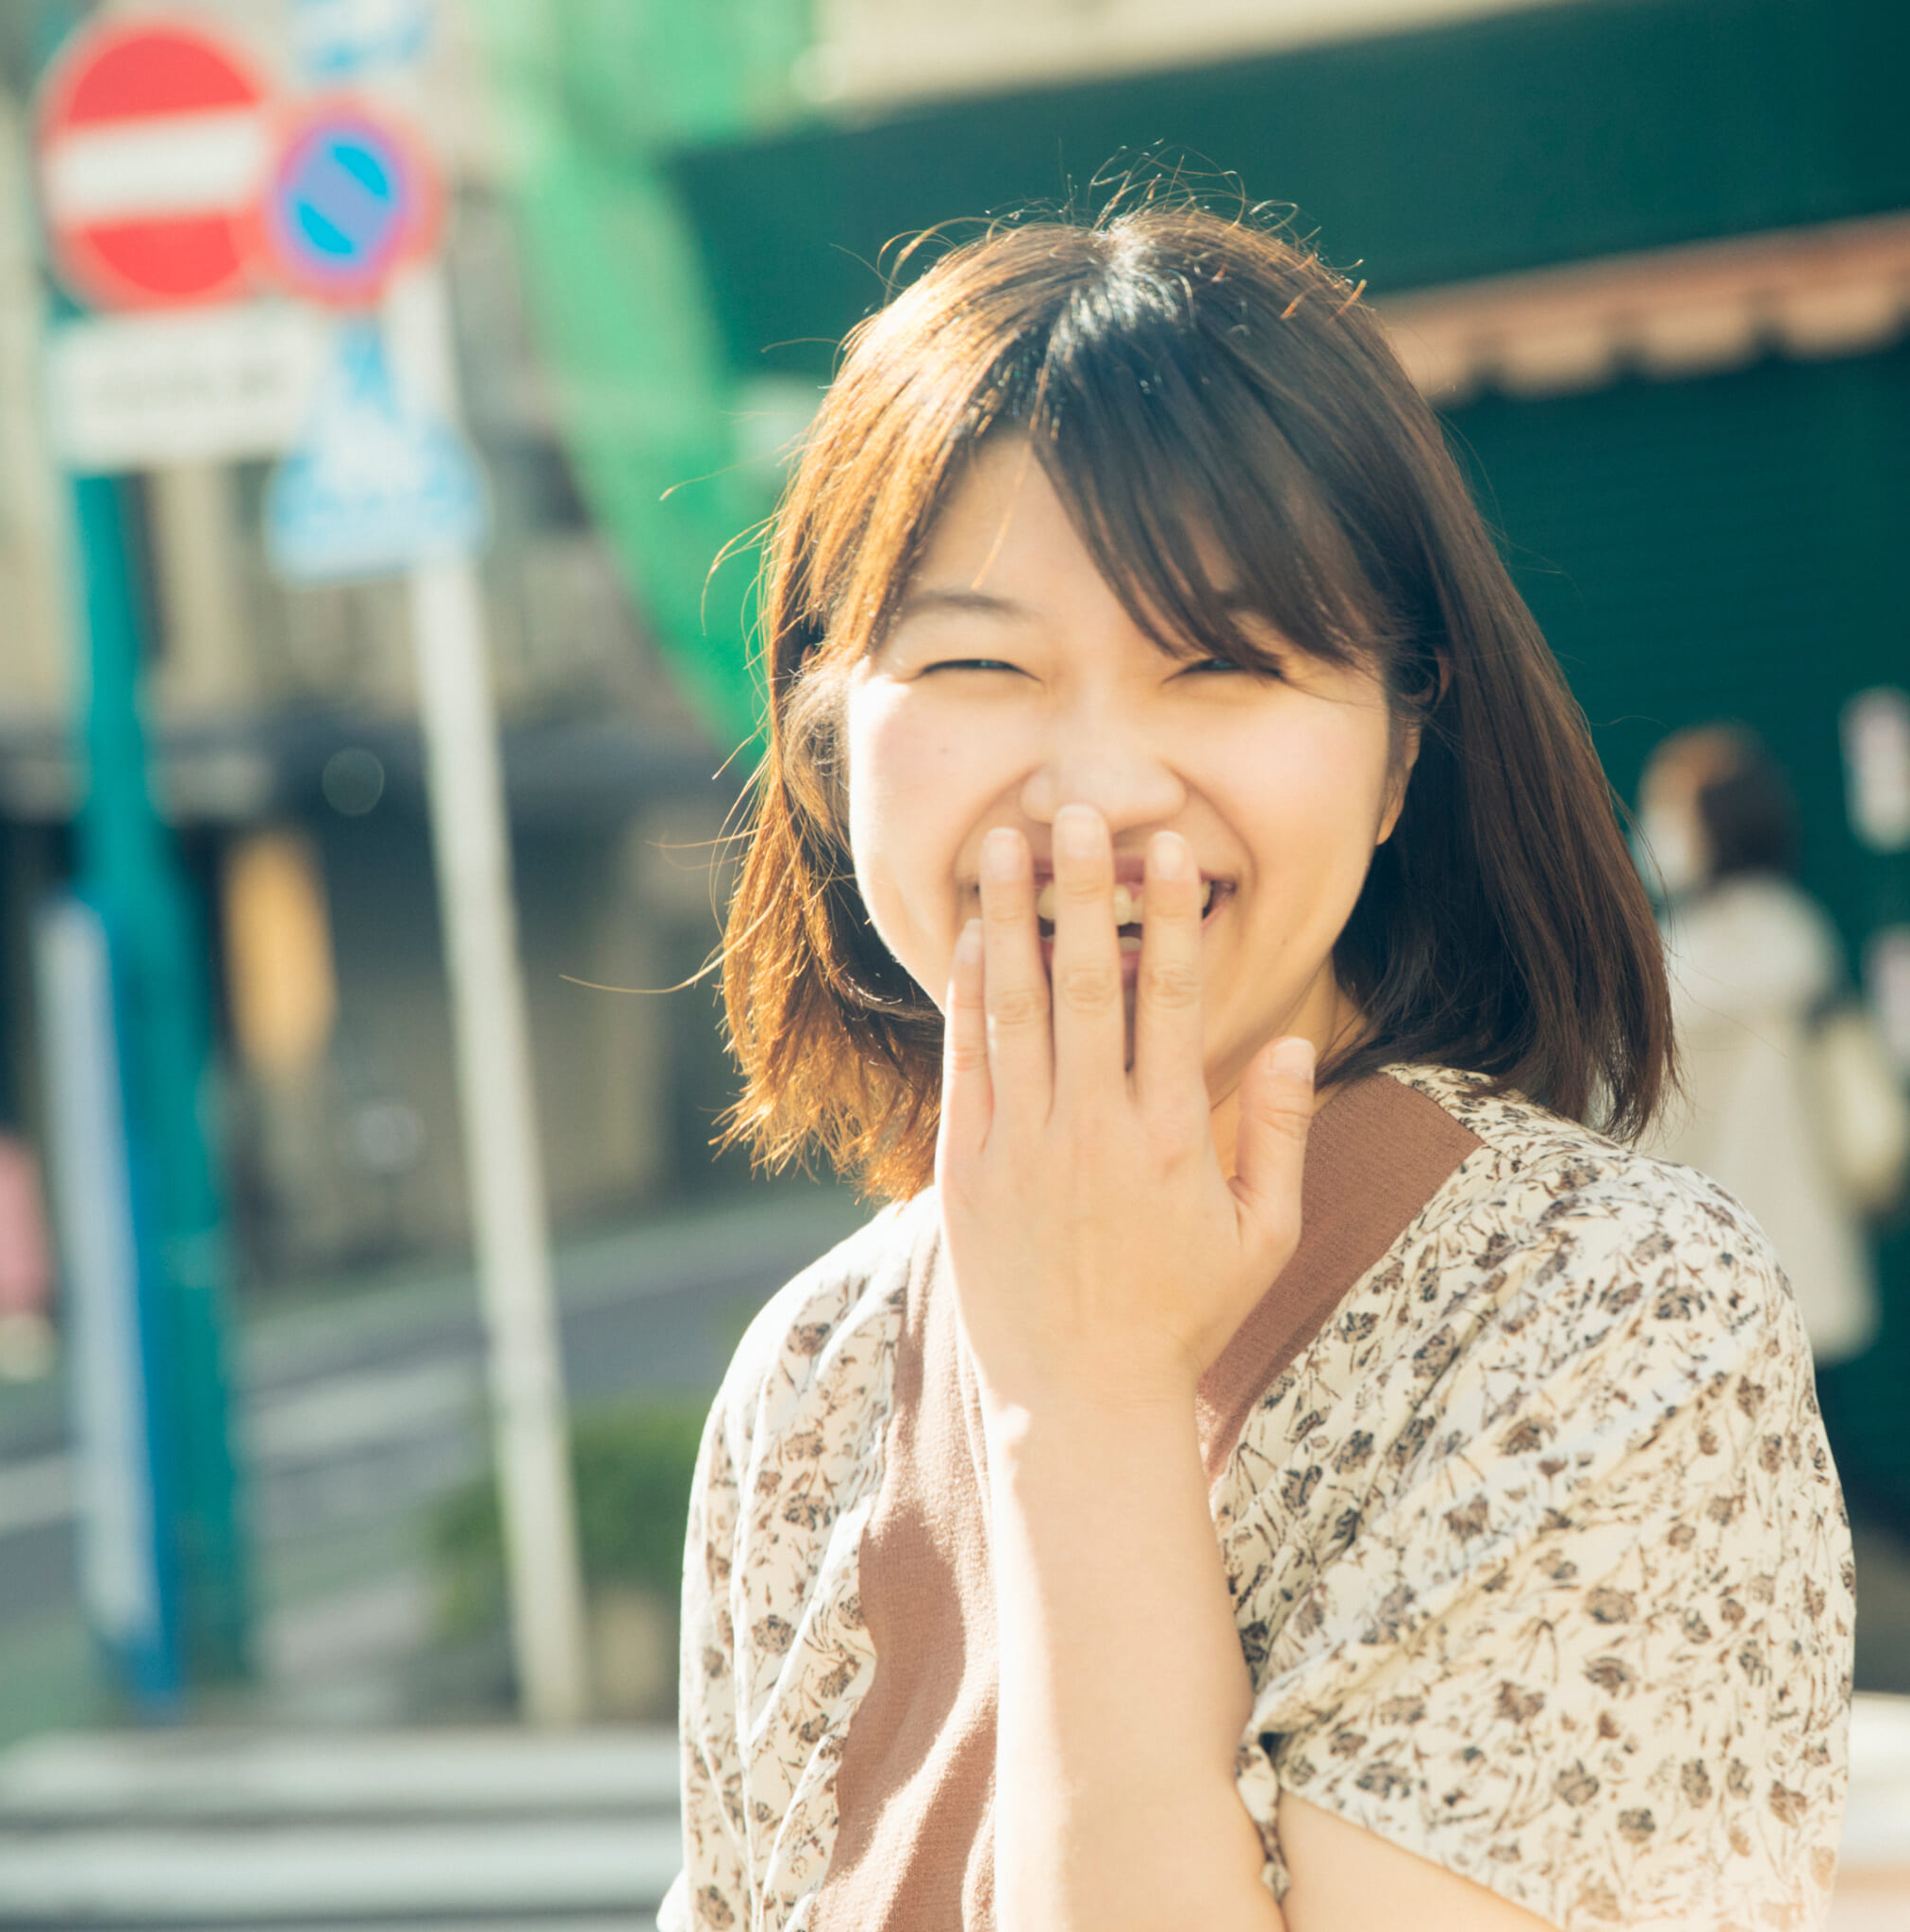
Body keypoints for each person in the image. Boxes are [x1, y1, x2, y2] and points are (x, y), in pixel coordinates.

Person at [657, 200, 1854, 1932]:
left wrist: (1084, 1407)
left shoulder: (1613, 1315)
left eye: (1220, 664)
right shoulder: (810, 1377)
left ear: (1395, 755)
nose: (1095, 788)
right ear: (829, 743)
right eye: (978, 662)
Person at [1638, 725, 1891, 1368]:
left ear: (1715, 822)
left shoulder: (1689, 958)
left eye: (1669, 808)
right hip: (1799, 1234)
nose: (1652, 826)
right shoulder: (1796, 929)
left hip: (1708, 1255)